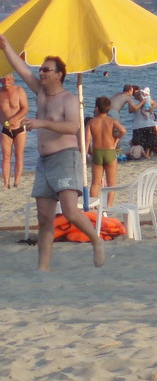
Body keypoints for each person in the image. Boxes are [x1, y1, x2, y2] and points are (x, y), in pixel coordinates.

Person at [0, 34, 104, 270]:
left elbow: (73, 127)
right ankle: (43, 268)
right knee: (44, 219)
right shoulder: (40, 94)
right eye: (42, 69)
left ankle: (96, 241)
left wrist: (41, 123)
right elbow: (23, 69)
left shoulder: (68, 99)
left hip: (66, 158)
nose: (42, 73)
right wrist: (6, 47)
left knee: (69, 212)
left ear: (59, 74)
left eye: (47, 70)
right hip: (44, 162)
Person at [86, 96, 126, 204]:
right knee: (111, 183)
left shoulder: (91, 122)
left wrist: (89, 153)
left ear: (97, 108)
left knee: (95, 183)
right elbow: (123, 130)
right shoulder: (111, 121)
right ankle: (109, 207)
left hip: (97, 153)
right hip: (109, 152)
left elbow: (86, 142)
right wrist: (116, 139)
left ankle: (93, 207)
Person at [0, 73, 29, 189]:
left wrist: (14, 119)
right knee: (6, 156)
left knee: (18, 155)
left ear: (12, 79)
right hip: (5, 130)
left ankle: (16, 182)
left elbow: (25, 108)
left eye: (8, 78)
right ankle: (6, 183)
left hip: (19, 129)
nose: (6, 81)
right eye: (3, 79)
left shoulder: (19, 90)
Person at [127, 86, 157, 158]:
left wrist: (151, 108)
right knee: (139, 142)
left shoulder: (146, 98)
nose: (139, 94)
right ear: (133, 94)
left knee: (151, 141)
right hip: (138, 125)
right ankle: (141, 153)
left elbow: (155, 104)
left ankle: (147, 154)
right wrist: (141, 103)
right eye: (136, 93)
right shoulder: (132, 101)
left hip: (149, 123)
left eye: (139, 92)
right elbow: (131, 110)